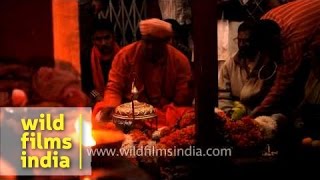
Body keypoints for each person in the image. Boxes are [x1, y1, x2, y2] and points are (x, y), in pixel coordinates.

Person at [93, 18, 194, 122]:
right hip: (131, 112)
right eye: (147, 42)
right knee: (100, 110)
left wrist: (189, 90)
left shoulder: (180, 60)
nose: (150, 47)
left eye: (155, 43)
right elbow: (114, 87)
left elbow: (181, 100)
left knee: (187, 113)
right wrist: (111, 106)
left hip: (165, 112)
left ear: (165, 42)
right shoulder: (125, 56)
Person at [250, 0, 320, 117]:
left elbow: (282, 82)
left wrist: (259, 110)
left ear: (277, 40)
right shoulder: (267, 19)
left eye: (269, 49)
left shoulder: (293, 42)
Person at [218, 20, 281, 118]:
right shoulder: (230, 64)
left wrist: (253, 115)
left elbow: (273, 98)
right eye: (239, 40)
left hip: (262, 115)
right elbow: (222, 95)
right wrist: (230, 113)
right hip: (235, 114)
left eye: (247, 41)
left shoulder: (268, 65)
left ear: (257, 42)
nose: (242, 45)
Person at [81, 19, 120, 105]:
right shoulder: (87, 56)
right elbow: (87, 85)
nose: (103, 43)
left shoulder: (122, 56)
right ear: (93, 41)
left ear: (113, 37)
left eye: (107, 38)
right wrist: (97, 96)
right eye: (98, 39)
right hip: (97, 101)